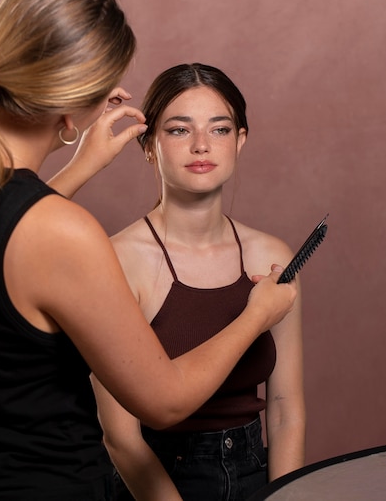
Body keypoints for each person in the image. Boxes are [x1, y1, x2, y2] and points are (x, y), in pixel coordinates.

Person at [0, 0, 296, 500]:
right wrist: (257, 313)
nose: (200, 144)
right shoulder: (63, 231)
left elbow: (9, 228)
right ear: (77, 104)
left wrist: (76, 168)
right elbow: (163, 402)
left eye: (218, 128)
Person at [86, 64, 306, 500]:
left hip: (255, 476)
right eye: (180, 130)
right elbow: (121, 438)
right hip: (154, 479)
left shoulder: (272, 256)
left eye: (220, 129)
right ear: (149, 146)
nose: (202, 145)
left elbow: (284, 410)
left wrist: (284, 496)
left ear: (240, 142)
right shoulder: (114, 261)